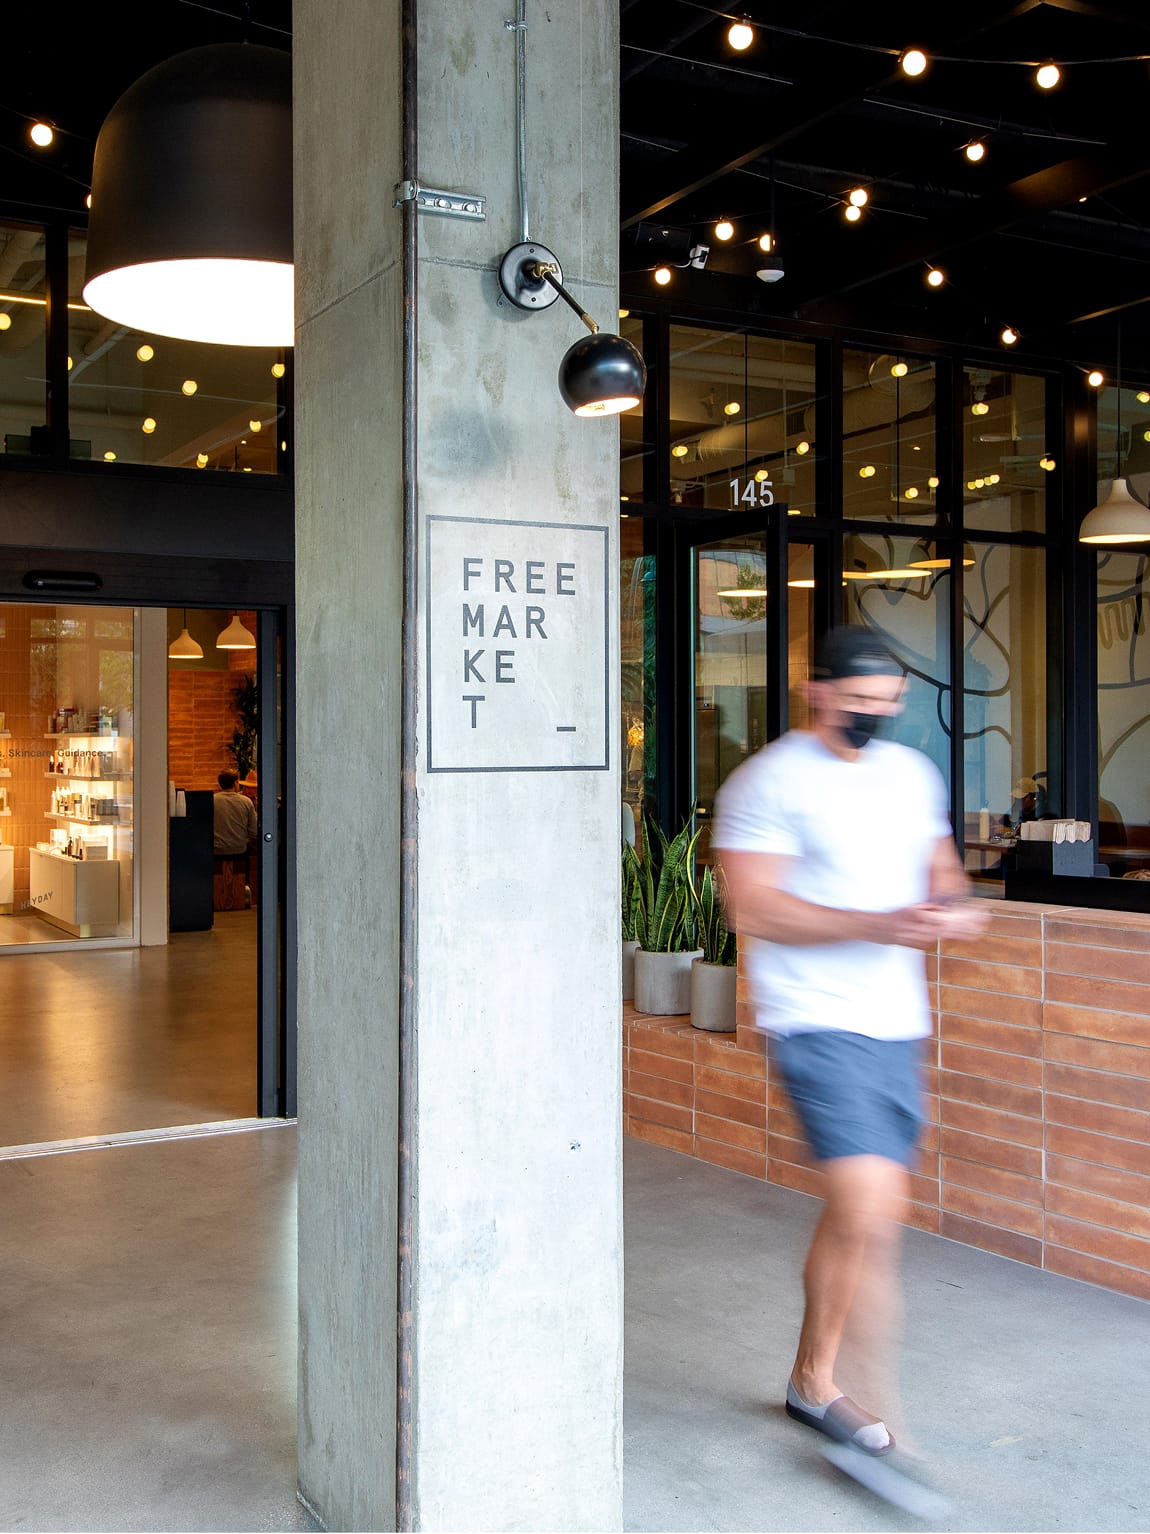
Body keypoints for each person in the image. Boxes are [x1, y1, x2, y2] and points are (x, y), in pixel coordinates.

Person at [712, 626, 986, 1484]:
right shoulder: (767, 782)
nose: (874, 717)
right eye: (859, 702)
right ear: (816, 689)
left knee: (864, 1215)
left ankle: (812, 1381)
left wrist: (951, 904)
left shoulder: (912, 776)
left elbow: (941, 869)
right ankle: (890, 1435)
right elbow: (753, 909)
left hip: (897, 1022)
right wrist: (878, 924)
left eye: (887, 705)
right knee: (870, 1207)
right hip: (815, 1019)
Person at [213, 769, 257, 858]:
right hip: (239, 848)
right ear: (235, 783)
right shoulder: (246, 801)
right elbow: (254, 831)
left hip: (217, 848)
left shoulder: (212, 800)